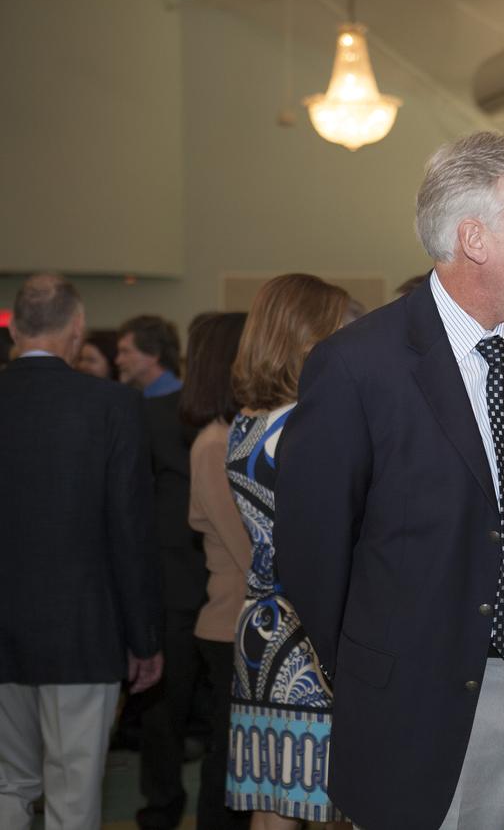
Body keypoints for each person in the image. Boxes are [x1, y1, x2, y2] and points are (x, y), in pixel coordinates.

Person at [271, 132, 504, 829]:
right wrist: (388, 672)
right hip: (429, 700)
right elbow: (312, 557)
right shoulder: (358, 367)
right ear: (475, 238)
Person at [0, 274, 163, 829]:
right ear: (76, 328)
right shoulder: (113, 405)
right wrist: (144, 636)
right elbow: (129, 528)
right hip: (82, 628)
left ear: (16, 328)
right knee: (73, 792)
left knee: (8, 784)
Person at [222, 274, 350, 827]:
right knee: (332, 796)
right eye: (342, 331)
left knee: (275, 797)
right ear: (309, 338)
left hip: (260, 630)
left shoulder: (244, 425)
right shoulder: (310, 427)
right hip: (314, 634)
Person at [119, 314, 209, 830]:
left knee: (162, 711)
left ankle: (162, 810)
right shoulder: (204, 412)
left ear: (152, 354)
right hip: (209, 574)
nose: (118, 359)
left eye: (127, 350)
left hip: (171, 579)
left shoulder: (148, 413)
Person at [178, 312, 252, 830]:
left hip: (241, 623)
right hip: (231, 625)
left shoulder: (234, 435)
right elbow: (250, 549)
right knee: (228, 770)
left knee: (240, 766)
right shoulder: (215, 444)